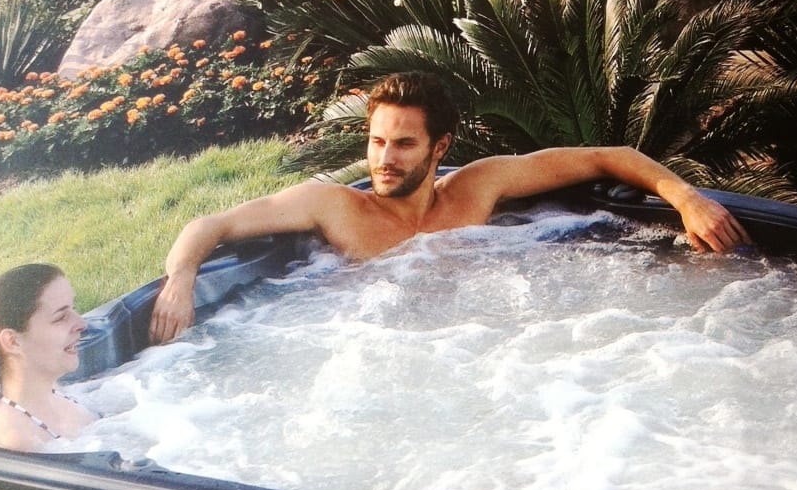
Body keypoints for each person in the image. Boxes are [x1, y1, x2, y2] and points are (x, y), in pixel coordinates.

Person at [149, 71, 750, 344]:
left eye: (403, 144)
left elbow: (606, 156)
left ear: (440, 147)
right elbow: (211, 224)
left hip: (480, 338)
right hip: (367, 341)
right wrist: (181, 279)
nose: (384, 159)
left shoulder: (478, 188)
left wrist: (686, 199)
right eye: (376, 142)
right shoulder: (333, 208)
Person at [0, 263, 96, 451]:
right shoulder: (18, 440)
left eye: (74, 308)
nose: (81, 323)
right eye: (60, 317)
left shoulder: (53, 392)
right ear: (13, 342)